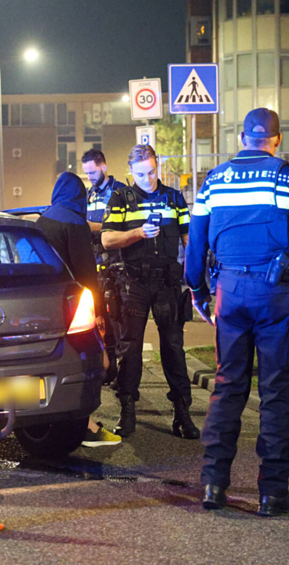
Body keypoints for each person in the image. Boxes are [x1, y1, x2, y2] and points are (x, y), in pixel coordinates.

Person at [185, 108, 289, 517]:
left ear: (242, 139)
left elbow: (195, 245)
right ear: (277, 139)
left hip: (228, 291)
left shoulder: (214, 180)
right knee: (276, 392)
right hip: (274, 294)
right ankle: (272, 493)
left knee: (227, 387)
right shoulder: (288, 177)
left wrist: (198, 291)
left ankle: (213, 484)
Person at [101, 144, 198, 440]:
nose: (148, 179)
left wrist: (196, 279)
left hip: (167, 282)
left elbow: (188, 239)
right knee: (130, 349)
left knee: (174, 347)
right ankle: (127, 410)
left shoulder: (174, 197)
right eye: (141, 174)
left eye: (152, 172)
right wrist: (138, 233)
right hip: (134, 283)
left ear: (158, 166)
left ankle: (182, 412)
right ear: (131, 171)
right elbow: (107, 239)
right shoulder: (121, 198)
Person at [36, 172, 122, 448]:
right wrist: (97, 313)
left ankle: (59, 418)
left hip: (45, 305)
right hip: (73, 307)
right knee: (91, 362)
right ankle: (87, 425)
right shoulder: (75, 223)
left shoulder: (43, 220)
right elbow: (86, 274)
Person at [82, 149, 125, 385]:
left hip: (116, 263)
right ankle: (109, 369)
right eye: (86, 173)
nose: (89, 177)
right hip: (95, 263)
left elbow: (123, 225)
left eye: (92, 172)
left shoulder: (119, 192)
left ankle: (123, 373)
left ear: (104, 167)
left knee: (119, 319)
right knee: (102, 321)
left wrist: (92, 227)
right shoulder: (89, 195)